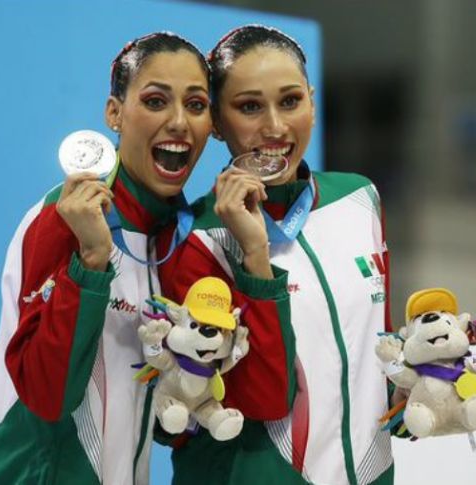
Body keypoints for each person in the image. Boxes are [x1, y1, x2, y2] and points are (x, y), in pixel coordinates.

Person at [0, 31, 215, 485]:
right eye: (155, 101)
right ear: (115, 113)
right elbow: (46, 395)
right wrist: (92, 261)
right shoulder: (64, 217)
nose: (178, 122)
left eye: (195, 105)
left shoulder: (172, 241)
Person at [155, 25, 395, 485]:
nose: (275, 127)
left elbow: (376, 350)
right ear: (218, 124)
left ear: (312, 99)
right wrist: (254, 254)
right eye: (249, 107)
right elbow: (262, 400)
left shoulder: (360, 199)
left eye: (290, 101)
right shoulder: (194, 238)